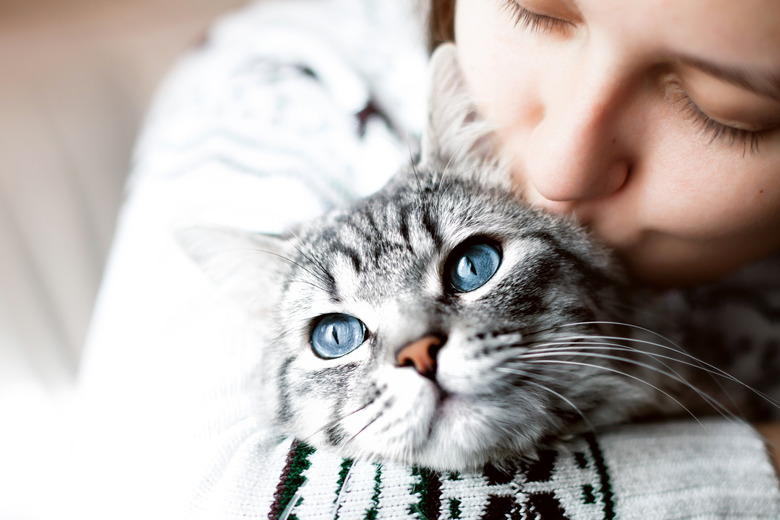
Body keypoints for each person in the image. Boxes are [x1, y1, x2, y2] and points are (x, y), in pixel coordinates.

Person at [68, 0, 780, 518]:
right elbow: (182, 497)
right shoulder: (286, 80)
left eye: (724, 107)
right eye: (537, 11)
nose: (419, 348)